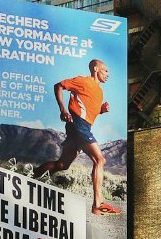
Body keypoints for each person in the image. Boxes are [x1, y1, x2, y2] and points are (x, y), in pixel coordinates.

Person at [34, 59, 120, 217]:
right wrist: (63, 109)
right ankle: (97, 204)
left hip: (82, 127)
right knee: (99, 160)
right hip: (78, 124)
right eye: (105, 70)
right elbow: (58, 86)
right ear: (96, 69)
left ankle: (32, 176)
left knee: (63, 164)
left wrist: (101, 110)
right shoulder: (83, 81)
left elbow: (88, 109)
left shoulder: (99, 91)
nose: (108, 74)